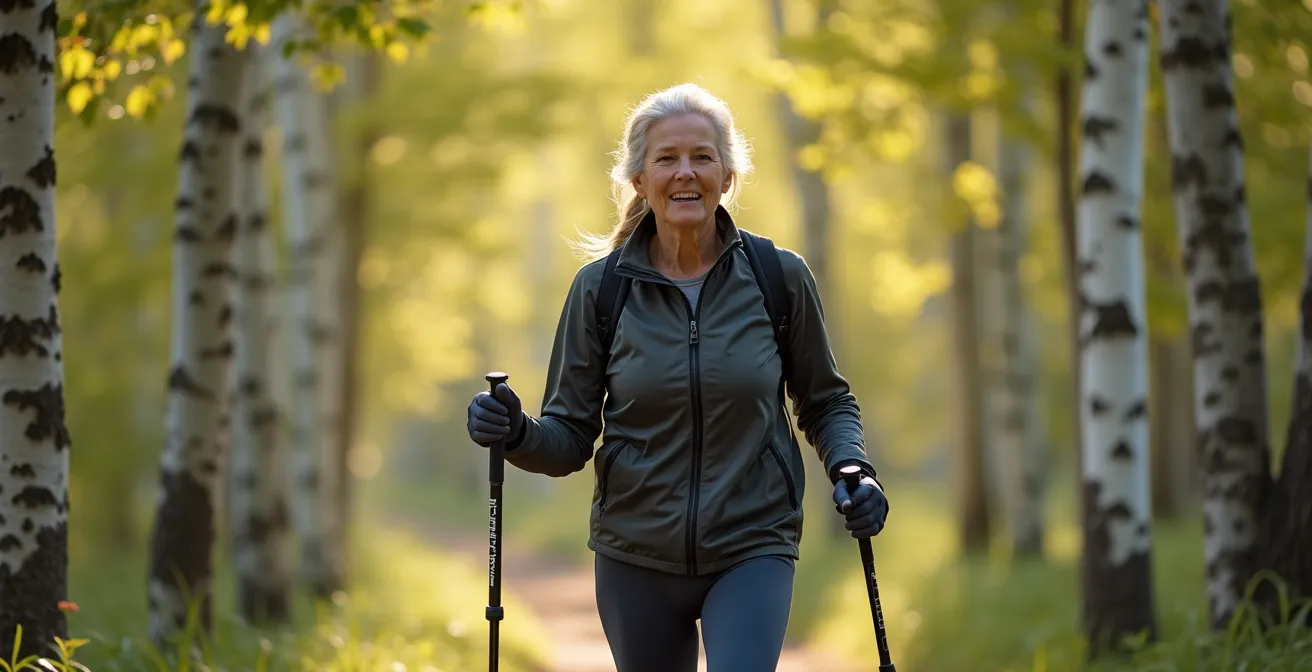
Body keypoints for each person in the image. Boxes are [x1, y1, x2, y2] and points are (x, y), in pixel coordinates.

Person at [466, 82, 889, 672]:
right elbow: (567, 439)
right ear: (639, 179)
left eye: (702, 156)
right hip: (635, 555)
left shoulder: (777, 276)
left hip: (752, 542)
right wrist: (514, 433)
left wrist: (852, 467)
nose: (685, 173)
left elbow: (826, 401)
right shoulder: (602, 290)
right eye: (666, 158)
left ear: (728, 175)